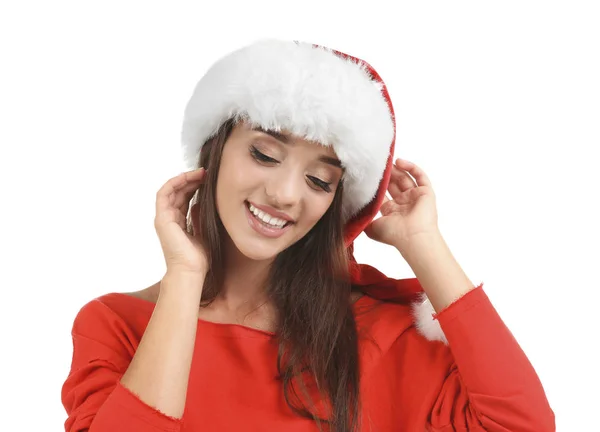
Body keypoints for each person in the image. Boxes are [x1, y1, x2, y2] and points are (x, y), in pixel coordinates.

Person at [61, 39, 555, 431]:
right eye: (264, 154)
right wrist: (186, 278)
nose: (284, 194)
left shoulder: (377, 333)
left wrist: (422, 241)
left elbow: (521, 425)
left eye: (320, 181)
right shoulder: (119, 324)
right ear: (214, 152)